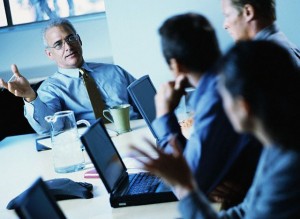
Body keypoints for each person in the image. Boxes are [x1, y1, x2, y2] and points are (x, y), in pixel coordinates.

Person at [132, 40, 300, 218]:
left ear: (244, 107)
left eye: (222, 98)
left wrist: (186, 187)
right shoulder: (276, 145)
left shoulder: (288, 167)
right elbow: (245, 213)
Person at [151, 13, 262, 207]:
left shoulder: (216, 97)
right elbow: (197, 173)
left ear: (176, 65)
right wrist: (205, 179)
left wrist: (163, 115)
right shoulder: (225, 77)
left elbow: (187, 184)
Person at [0, 18, 140, 134]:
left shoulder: (115, 71)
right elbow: (48, 128)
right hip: (94, 143)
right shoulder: (50, 88)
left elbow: (148, 105)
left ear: (79, 41)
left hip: (135, 132)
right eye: (58, 44)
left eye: (71, 38)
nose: (68, 47)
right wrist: (31, 97)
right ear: (50, 54)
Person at [221, 0, 300, 68]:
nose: (225, 25)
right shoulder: (283, 50)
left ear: (248, 12)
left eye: (228, 15)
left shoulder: (265, 59)